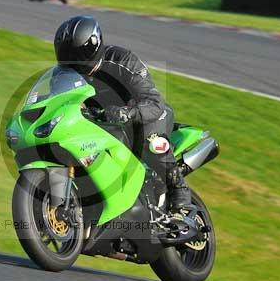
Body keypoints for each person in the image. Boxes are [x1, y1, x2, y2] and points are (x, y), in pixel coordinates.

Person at [53, 15, 192, 216]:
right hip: (104, 125)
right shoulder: (62, 76)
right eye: (66, 56)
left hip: (143, 117)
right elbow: (57, 104)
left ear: (92, 46)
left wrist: (129, 112)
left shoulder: (122, 60)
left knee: (151, 139)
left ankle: (179, 188)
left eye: (76, 55)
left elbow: (154, 102)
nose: (71, 62)